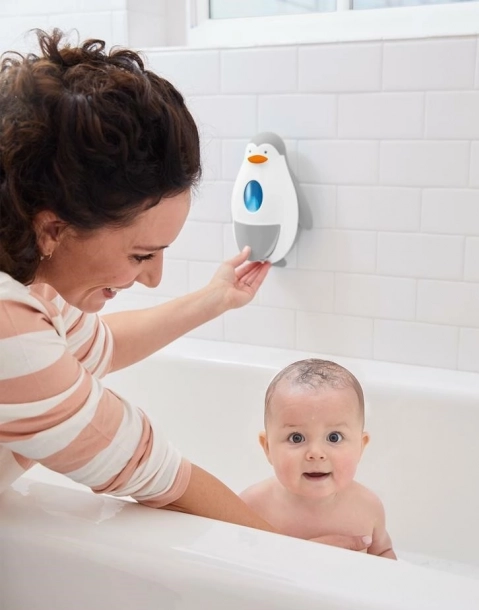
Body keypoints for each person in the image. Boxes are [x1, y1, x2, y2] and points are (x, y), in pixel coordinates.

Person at [0, 29, 371, 554]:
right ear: (53, 229)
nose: (152, 278)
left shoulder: (29, 278)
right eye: (140, 255)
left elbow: (95, 347)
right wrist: (301, 564)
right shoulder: (8, 326)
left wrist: (213, 299)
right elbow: (155, 472)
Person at [240, 358, 397, 559]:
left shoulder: (368, 507)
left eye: (334, 437)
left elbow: (383, 552)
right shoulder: (252, 507)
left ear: (361, 446)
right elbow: (238, 565)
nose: (316, 452)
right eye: (296, 438)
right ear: (268, 448)